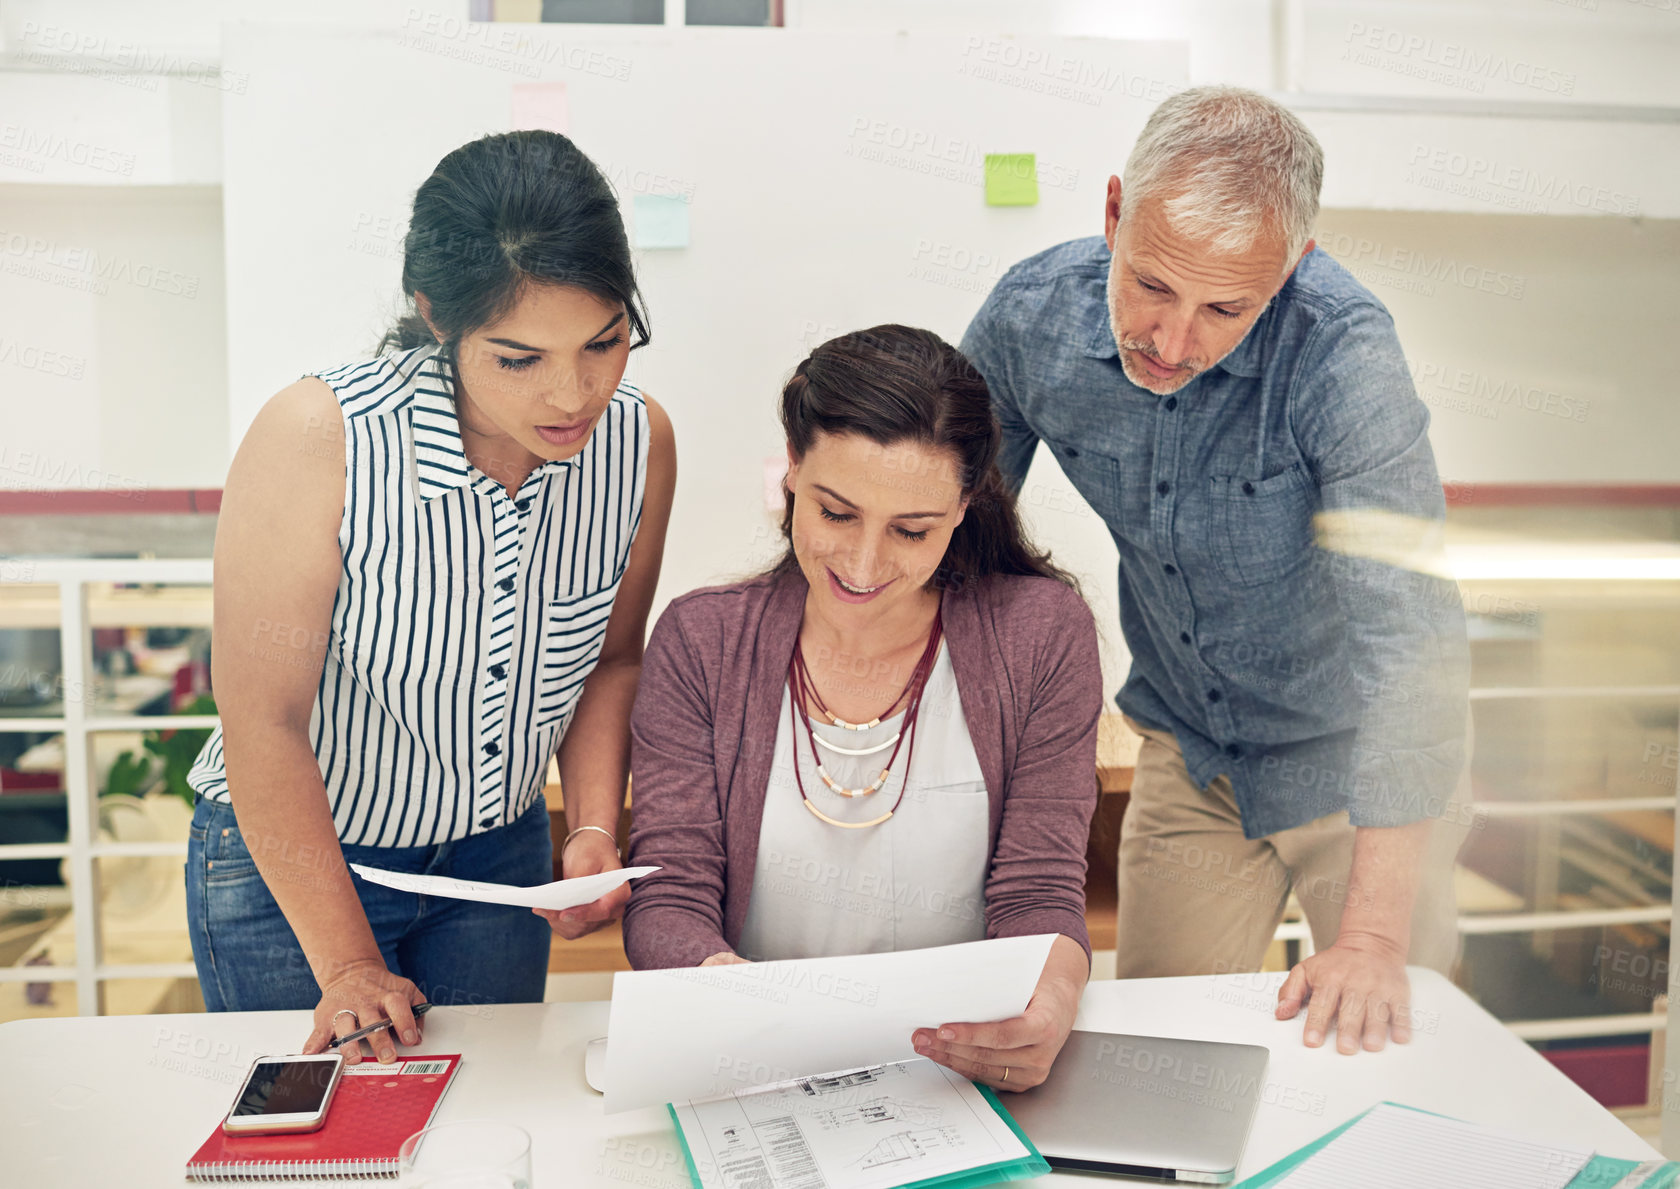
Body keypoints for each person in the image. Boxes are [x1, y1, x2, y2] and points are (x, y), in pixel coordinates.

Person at [961, 85, 1472, 1056]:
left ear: (1292, 270)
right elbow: (953, 545)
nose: (1171, 340)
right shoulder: (1030, 323)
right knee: (1159, 1058)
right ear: (1113, 213)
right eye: (1150, 283)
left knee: (1399, 1051)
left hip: (1363, 758)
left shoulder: (1345, 363)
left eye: (1225, 307)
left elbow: (1413, 646)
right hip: (1191, 750)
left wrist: (1369, 936)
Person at [184, 130, 677, 1063]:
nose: (573, 393)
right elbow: (263, 718)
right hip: (298, 860)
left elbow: (611, 659)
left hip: (499, 859)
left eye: (604, 342)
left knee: (480, 1122)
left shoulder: (638, 443)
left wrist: (594, 825)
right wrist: (345, 965)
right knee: (338, 1143)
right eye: (519, 358)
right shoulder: (321, 437)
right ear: (435, 318)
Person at [621, 325, 1101, 1092]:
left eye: (912, 530)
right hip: (754, 1064)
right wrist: (731, 998)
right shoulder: (701, 639)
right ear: (792, 469)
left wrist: (1048, 1003)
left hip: (954, 1074)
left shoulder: (1041, 633)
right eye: (837, 513)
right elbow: (670, 892)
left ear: (966, 505)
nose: (865, 563)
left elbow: (1040, 891)